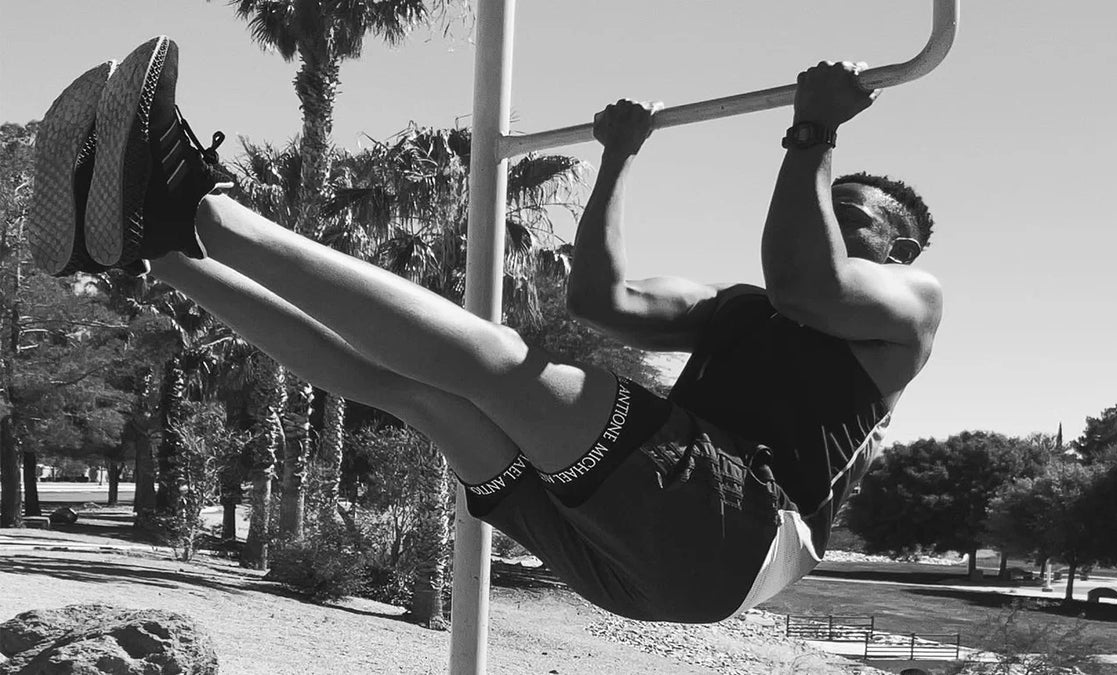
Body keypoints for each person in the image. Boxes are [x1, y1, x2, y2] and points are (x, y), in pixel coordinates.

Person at [30, 37, 941, 623]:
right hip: (650, 562)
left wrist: (814, 136)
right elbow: (602, 297)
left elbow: (808, 277)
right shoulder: (745, 308)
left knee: (500, 362)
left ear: (897, 252)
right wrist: (618, 160)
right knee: (420, 393)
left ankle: (197, 208)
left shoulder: (912, 306)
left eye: (854, 214)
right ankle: (157, 252)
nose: (835, 216)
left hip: (742, 527)